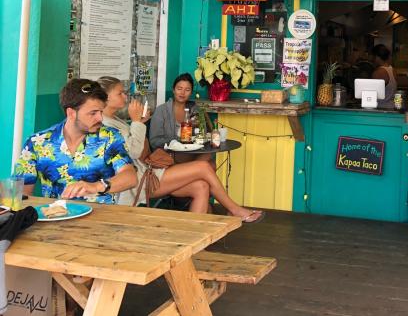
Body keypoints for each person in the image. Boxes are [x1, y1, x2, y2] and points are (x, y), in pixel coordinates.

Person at [98, 76, 265, 222]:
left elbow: (136, 148)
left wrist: (139, 123)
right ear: (105, 97)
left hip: (148, 171)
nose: (125, 96)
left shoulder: (115, 120)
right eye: (120, 93)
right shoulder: (105, 125)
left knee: (201, 186)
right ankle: (234, 210)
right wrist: (136, 122)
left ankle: (194, 241)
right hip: (138, 180)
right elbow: (134, 152)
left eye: (187, 89)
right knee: (203, 166)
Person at [14, 79, 137, 203]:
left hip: (101, 214)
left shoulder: (110, 137)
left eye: (101, 112)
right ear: (71, 113)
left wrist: (97, 186)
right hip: (56, 213)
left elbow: (130, 177)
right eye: (93, 113)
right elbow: (21, 193)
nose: (100, 118)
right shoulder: (38, 142)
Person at [149, 73, 208, 163]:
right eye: (179, 89)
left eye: (187, 90)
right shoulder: (161, 110)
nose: (182, 93)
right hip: (169, 155)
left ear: (191, 92)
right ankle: (195, 169)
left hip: (191, 153)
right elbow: (154, 141)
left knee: (208, 156)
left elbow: (203, 136)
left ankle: (194, 169)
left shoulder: (195, 110)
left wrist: (197, 128)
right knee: (206, 165)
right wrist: (177, 141)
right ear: (173, 90)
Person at [371, 44, 398, 109]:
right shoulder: (393, 70)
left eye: (373, 56)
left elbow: (372, 94)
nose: (372, 59)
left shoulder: (378, 72)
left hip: (381, 108)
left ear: (377, 57)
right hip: (392, 107)